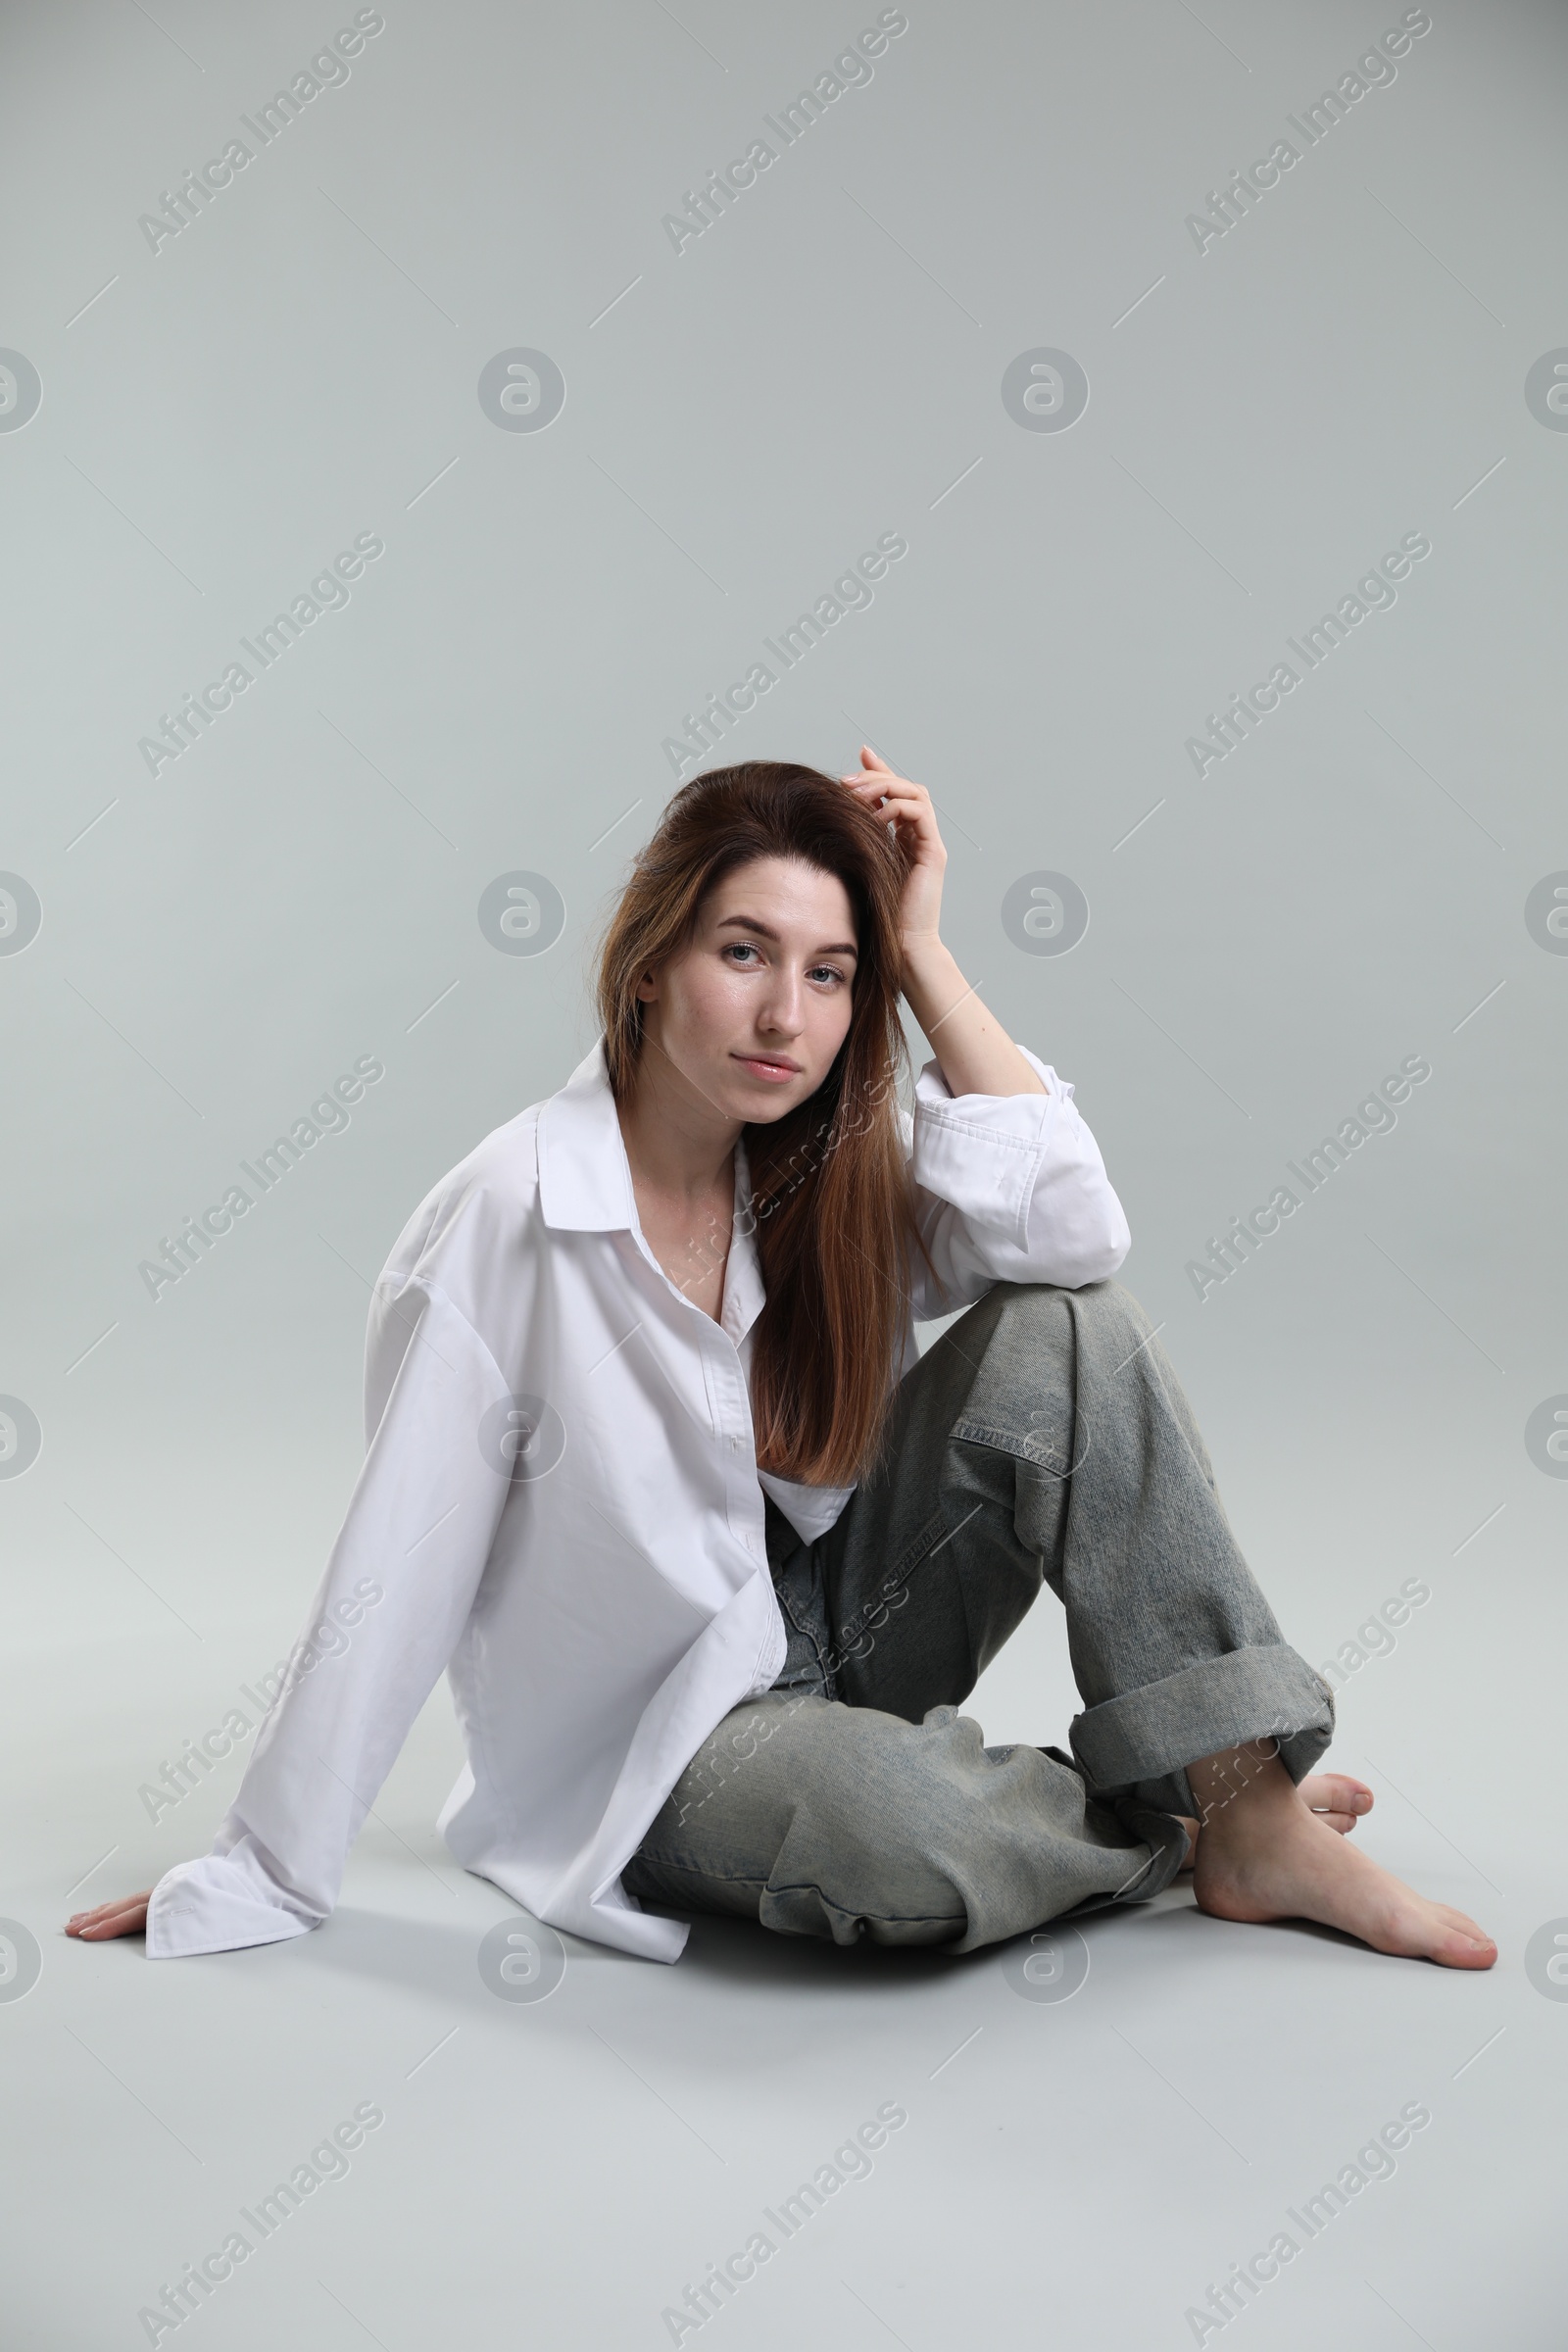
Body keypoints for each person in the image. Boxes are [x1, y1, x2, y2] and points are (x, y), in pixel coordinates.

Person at [67, 752, 1495, 1971]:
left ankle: (1245, 1808)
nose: (784, 1018)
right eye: (743, 952)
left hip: (827, 1628)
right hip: (659, 1748)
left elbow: (1073, 1234)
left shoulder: (819, 1179)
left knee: (1073, 1331)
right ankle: (1170, 1825)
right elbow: (401, 1558)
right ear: (651, 956)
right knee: (902, 1834)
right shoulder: (511, 1215)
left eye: (830, 974)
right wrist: (260, 1866)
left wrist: (925, 951)